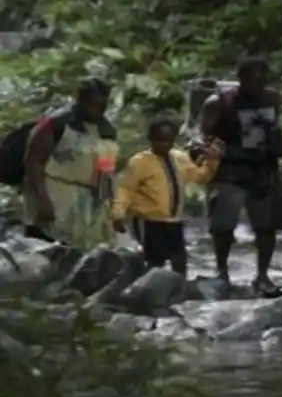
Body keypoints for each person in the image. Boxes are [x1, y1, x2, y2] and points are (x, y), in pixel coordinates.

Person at [200, 56, 282, 297]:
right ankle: (222, 272)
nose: (257, 84)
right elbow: (202, 134)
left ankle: (262, 276)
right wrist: (212, 148)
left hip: (263, 168)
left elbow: (274, 128)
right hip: (230, 170)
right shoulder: (219, 103)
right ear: (240, 79)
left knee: (266, 226)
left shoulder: (272, 99)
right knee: (223, 225)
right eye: (251, 79)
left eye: (261, 79)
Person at [111, 120, 224, 276]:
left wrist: (211, 160)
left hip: (173, 220)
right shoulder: (140, 162)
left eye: (168, 140)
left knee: (180, 259)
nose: (164, 144)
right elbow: (125, 188)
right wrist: (118, 214)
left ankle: (179, 289)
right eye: (159, 140)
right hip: (148, 220)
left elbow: (200, 177)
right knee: (154, 259)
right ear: (150, 139)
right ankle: (146, 290)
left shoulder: (180, 158)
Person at [22, 78, 120, 248]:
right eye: (91, 104)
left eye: (100, 105)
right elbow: (33, 162)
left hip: (89, 202)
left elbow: (106, 168)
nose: (95, 109)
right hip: (55, 195)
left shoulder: (107, 131)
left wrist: (110, 203)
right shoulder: (56, 124)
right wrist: (42, 199)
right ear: (80, 99)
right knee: (48, 249)